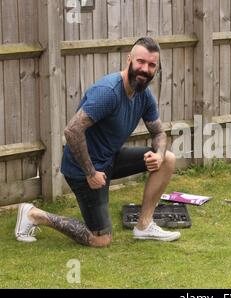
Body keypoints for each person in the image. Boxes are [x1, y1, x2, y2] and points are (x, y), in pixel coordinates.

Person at [14, 37, 180, 247]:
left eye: (151, 65)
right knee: (100, 239)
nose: (145, 69)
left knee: (168, 159)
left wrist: (158, 153)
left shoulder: (144, 95)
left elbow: (159, 133)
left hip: (109, 158)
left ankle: (144, 225)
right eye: (141, 62)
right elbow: (72, 130)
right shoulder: (108, 92)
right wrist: (90, 173)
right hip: (83, 170)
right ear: (128, 60)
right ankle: (33, 214)